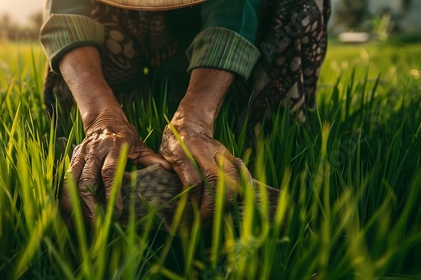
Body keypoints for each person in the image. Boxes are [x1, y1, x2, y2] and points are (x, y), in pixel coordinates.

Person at [40, 0, 331, 225]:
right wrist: (101, 118)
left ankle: (253, 135)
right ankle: (118, 145)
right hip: (132, 48)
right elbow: (66, 11)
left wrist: (195, 121)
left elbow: (236, 10)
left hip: (225, 66)